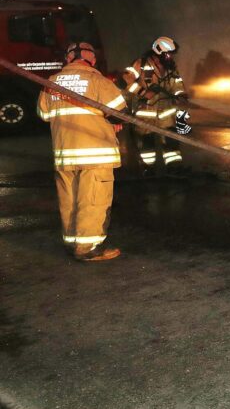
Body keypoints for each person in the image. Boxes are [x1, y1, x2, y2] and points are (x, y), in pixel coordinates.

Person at [37, 42, 127, 262]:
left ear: (68, 59)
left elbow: (43, 114)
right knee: (93, 200)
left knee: (69, 199)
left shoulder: (50, 82)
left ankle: (72, 242)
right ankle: (87, 248)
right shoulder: (97, 81)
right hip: (95, 154)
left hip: (64, 153)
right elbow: (120, 113)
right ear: (93, 60)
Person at [119, 36, 188, 170]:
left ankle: (174, 168)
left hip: (167, 113)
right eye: (168, 54)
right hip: (146, 113)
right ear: (159, 52)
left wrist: (181, 94)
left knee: (171, 141)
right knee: (147, 144)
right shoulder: (141, 64)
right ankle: (148, 169)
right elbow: (125, 80)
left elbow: (177, 83)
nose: (171, 57)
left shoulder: (170, 67)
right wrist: (143, 93)